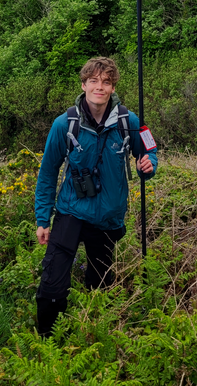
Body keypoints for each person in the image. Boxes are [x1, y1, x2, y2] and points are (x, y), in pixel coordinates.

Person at [35, 56, 158, 336]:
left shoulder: (130, 121)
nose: (99, 87)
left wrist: (149, 165)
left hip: (107, 217)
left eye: (106, 81)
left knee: (100, 283)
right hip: (71, 210)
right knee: (53, 281)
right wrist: (43, 218)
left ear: (113, 87)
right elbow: (48, 173)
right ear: (84, 84)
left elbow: (149, 150)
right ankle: (47, 340)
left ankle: (95, 335)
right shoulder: (64, 124)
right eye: (94, 81)